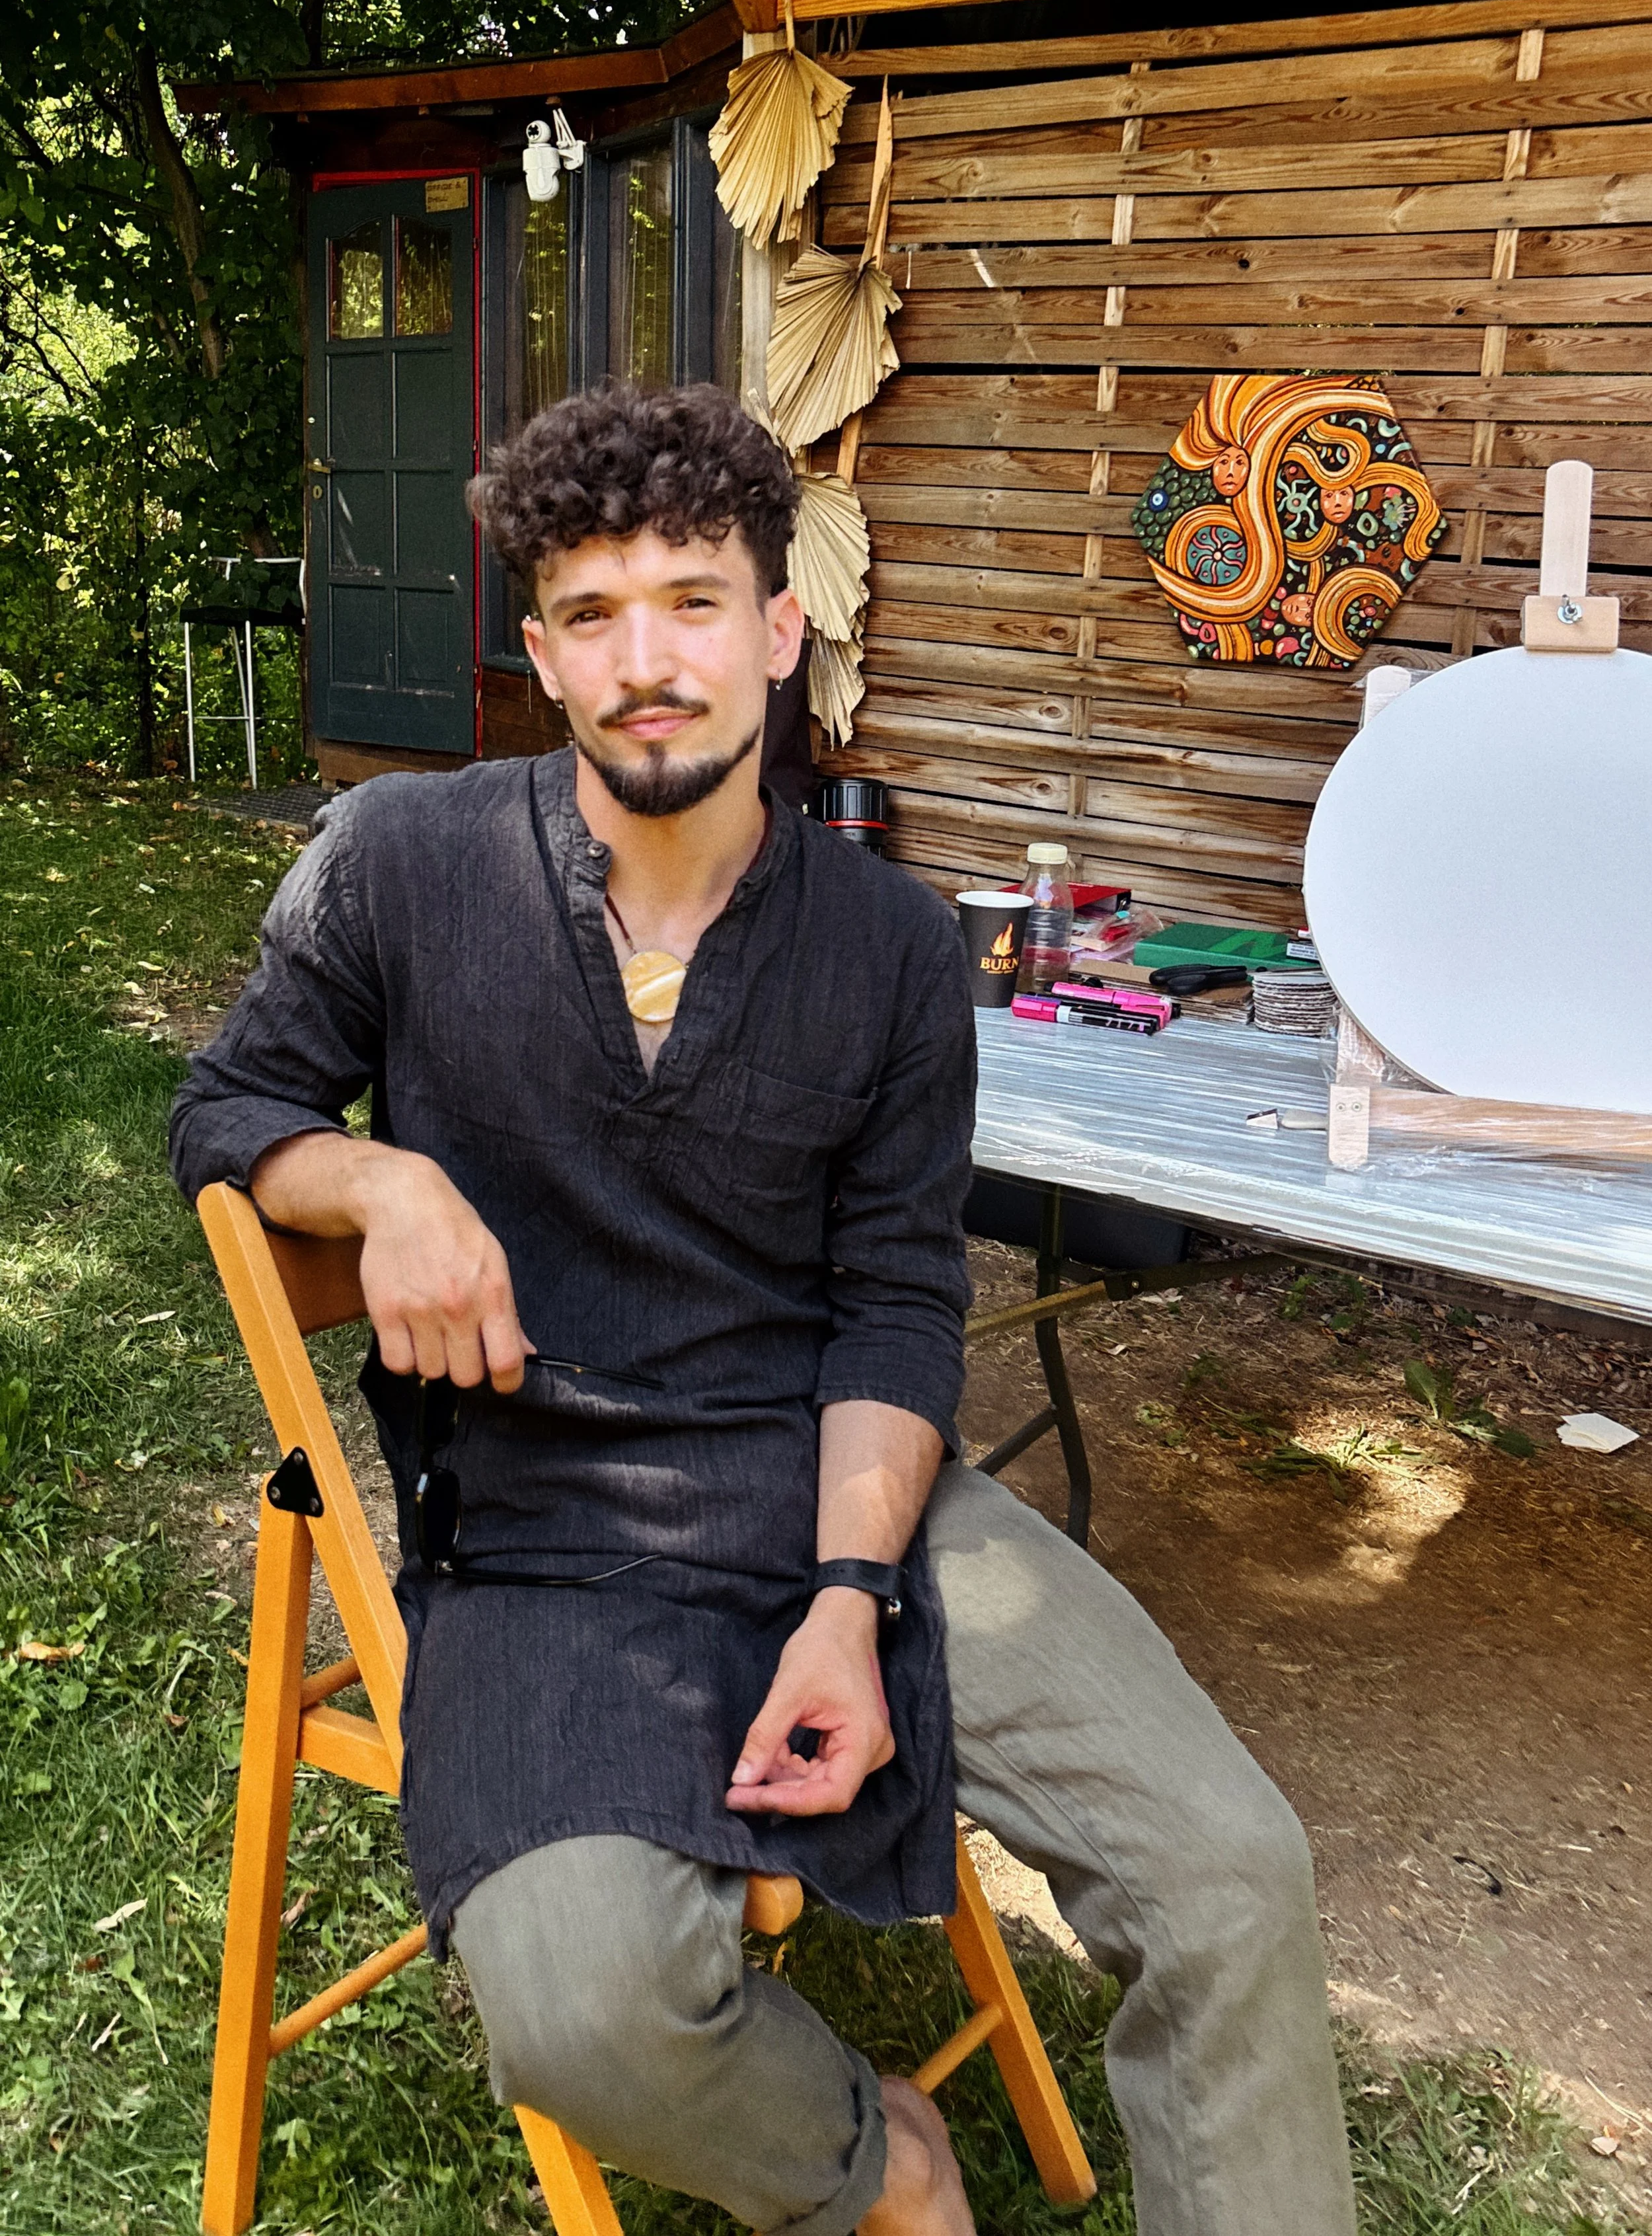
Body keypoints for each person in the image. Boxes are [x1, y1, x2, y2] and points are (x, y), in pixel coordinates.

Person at [170, 385, 1356, 2236]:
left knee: (1221, 1864)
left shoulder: (887, 950)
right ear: (543, 652)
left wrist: (849, 1600)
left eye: (693, 601)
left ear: (779, 630)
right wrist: (380, 1181)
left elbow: (895, 1298)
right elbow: (225, 1109)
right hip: (545, 1543)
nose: (647, 662)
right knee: (581, 2008)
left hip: (845, 1496)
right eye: (590, 612)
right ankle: (874, 2159)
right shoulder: (406, 870)